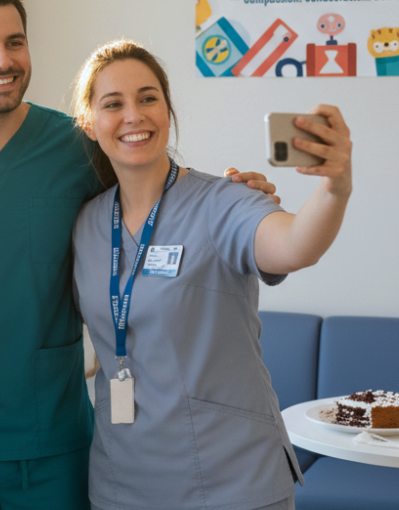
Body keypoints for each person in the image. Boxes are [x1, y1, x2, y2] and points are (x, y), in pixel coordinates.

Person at [0, 0, 280, 509]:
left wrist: (240, 199)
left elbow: (159, 196)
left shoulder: (76, 147)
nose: (3, 59)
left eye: (15, 41)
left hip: (53, 442)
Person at [69, 40, 353, 510]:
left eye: (148, 98)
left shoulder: (223, 202)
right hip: (122, 483)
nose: (134, 115)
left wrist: (335, 187)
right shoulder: (85, 225)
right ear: (89, 123)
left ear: (168, 110)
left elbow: (295, 244)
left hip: (232, 481)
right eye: (113, 104)